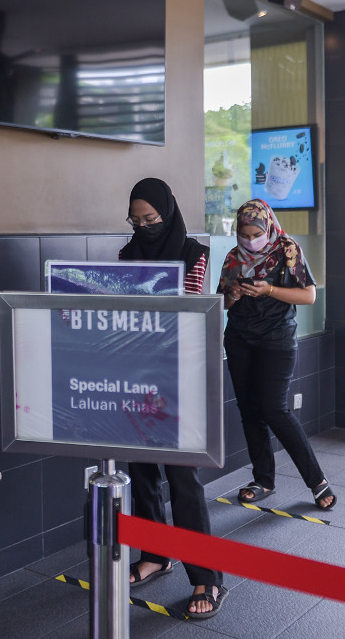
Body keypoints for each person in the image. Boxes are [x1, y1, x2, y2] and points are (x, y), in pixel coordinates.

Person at [119, 177, 227, 619]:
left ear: (168, 211)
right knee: (142, 470)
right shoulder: (127, 254)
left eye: (151, 218)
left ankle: (207, 577)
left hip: (180, 376)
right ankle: (156, 554)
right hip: (137, 374)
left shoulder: (193, 253)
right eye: (135, 220)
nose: (144, 226)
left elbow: (189, 312)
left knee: (182, 478)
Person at [218, 199, 336, 511]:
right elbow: (223, 303)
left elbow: (308, 295)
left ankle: (317, 481)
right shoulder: (233, 257)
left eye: (256, 233)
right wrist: (233, 293)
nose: (250, 239)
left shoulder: (287, 249)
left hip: (276, 338)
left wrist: (268, 290)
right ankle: (263, 480)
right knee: (249, 411)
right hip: (239, 338)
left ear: (268, 225)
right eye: (244, 234)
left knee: (274, 409)